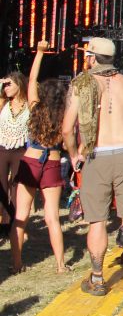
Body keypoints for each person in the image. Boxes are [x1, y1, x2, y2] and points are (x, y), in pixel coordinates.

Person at [63, 37, 123, 297]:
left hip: (97, 155)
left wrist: (73, 154)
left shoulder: (80, 84)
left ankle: (97, 278)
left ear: (92, 57)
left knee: (98, 221)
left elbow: (67, 128)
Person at [10, 42, 68, 273]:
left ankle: (16, 265)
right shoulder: (64, 114)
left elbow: (31, 80)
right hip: (53, 161)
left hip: (31, 159)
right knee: (52, 217)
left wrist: (40, 53)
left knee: (21, 216)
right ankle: (61, 265)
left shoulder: (35, 107)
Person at [0, 70, 29, 232]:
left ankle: (15, 222)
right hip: (2, 149)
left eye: (9, 84)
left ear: (19, 84)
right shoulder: (3, 102)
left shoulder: (28, 104)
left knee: (17, 186)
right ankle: (3, 221)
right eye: (4, 85)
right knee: (2, 186)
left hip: (21, 150)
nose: (6, 88)